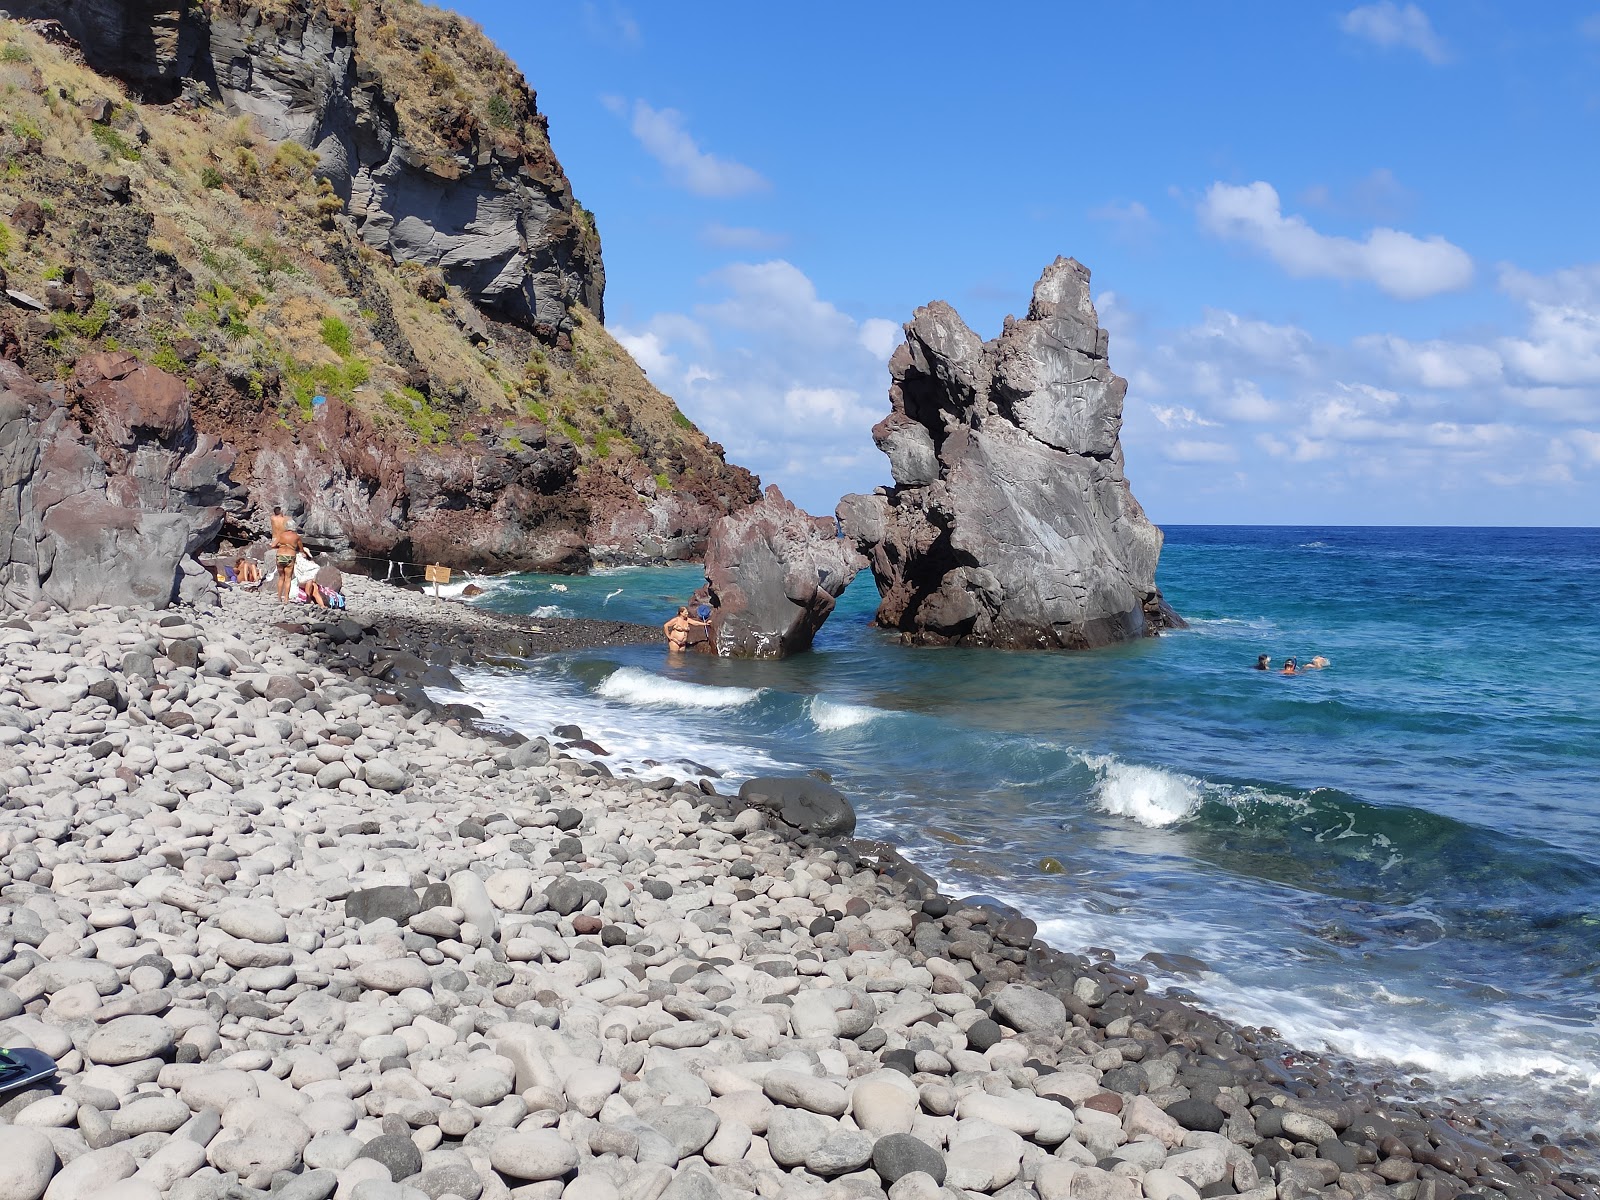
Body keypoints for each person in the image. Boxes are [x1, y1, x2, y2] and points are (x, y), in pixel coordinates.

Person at [273, 524, 302, 603]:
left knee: (281, 577)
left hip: (280, 555)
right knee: (288, 578)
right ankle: (286, 599)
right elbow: (301, 548)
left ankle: (279, 597)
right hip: (290, 556)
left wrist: (281, 546)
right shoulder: (296, 537)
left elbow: (272, 545)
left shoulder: (281, 535)